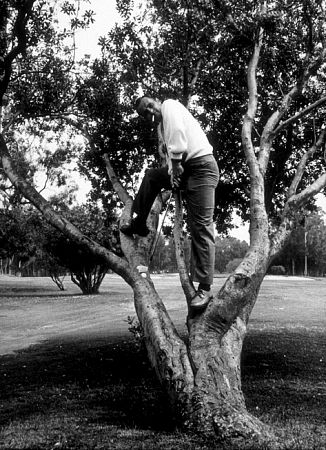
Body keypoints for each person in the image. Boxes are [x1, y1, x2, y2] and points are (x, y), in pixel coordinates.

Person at [120, 96, 219, 310]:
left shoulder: (170, 106)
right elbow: (174, 157)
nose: (149, 111)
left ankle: (205, 288)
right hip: (188, 170)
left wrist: (175, 167)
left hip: (202, 168)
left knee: (200, 226)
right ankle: (139, 224)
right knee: (152, 177)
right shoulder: (162, 125)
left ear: (156, 101)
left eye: (149, 106)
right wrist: (173, 172)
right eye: (144, 113)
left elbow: (179, 141)